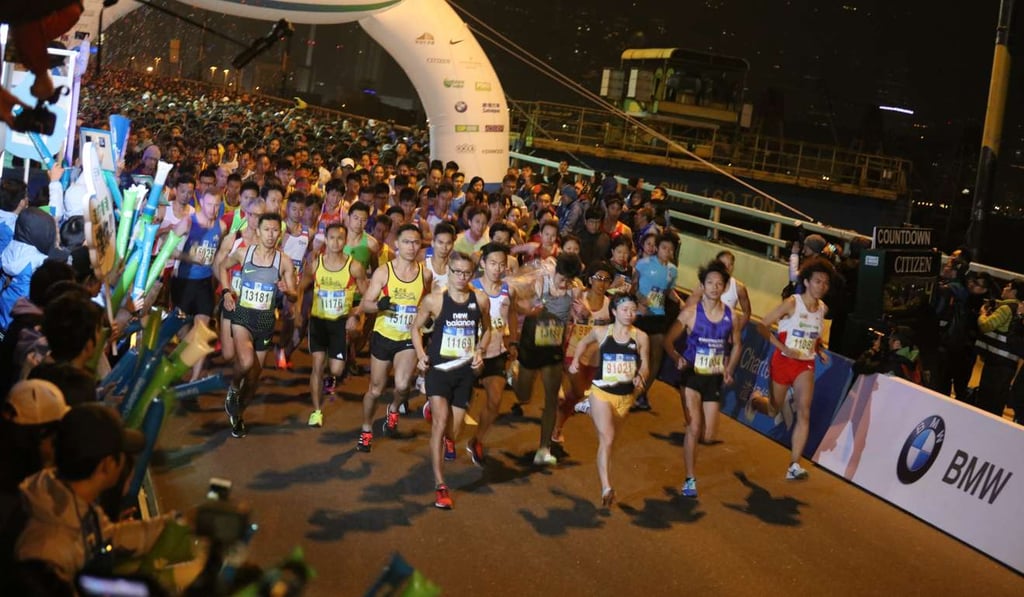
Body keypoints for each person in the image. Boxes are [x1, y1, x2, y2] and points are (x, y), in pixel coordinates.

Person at [14, 404, 174, 587]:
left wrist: (177, 524)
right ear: (106, 465)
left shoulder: (66, 498)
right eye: (121, 454)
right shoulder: (48, 548)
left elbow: (108, 536)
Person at [411, 251, 491, 509]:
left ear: (472, 274)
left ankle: (444, 431)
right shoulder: (434, 300)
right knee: (440, 423)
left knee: (454, 432)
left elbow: (488, 329)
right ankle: (440, 485)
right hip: (439, 371)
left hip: (465, 372)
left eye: (466, 273)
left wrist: (480, 350)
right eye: (456, 272)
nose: (461, 277)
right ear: (449, 272)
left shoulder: (480, 299)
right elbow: (416, 328)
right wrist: (421, 355)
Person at [663, 260, 742, 498]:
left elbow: (737, 345)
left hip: (714, 377)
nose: (715, 287)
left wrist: (729, 368)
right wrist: (677, 357)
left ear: (725, 287)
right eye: (710, 283)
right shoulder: (690, 313)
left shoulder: (732, 317)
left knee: (708, 435)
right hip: (692, 374)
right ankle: (689, 479)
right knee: (695, 427)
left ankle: (693, 440)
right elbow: (668, 341)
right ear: (703, 285)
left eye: (720, 284)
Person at [751, 258, 834, 480]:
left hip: (805, 364)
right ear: (806, 282)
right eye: (818, 281)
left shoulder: (822, 309)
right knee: (773, 410)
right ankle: (756, 400)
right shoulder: (792, 303)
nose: (822, 286)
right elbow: (762, 325)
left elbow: (813, 335)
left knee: (804, 411)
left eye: (825, 283)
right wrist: (783, 348)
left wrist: (820, 349)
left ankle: (794, 465)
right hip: (783, 362)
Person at [218, 212, 298, 438]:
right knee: (245, 360)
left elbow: (294, 296)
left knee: (253, 379)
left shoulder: (284, 261)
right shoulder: (244, 253)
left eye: (275, 230)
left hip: (265, 321)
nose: (271, 235)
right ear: (259, 231)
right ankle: (233, 388)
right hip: (243, 316)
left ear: (280, 233)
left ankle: (238, 415)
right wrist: (226, 292)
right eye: (267, 230)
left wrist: (288, 292)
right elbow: (223, 266)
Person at [569, 294, 650, 507]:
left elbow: (646, 364)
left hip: (625, 396)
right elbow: (582, 343)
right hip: (602, 391)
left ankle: (588, 408)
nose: (629, 314)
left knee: (610, 440)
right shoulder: (602, 331)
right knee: (607, 438)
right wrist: (576, 361)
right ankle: (606, 486)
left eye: (633, 310)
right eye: (624, 309)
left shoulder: (641, 337)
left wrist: (641, 377)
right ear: (614, 312)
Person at [357, 224, 432, 452]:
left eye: (416, 242)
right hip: (383, 335)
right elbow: (364, 305)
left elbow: (426, 304)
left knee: (401, 385)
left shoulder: (424, 274)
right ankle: (367, 428)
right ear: (397, 245)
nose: (411, 247)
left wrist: (427, 319)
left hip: (408, 337)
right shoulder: (384, 272)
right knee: (375, 390)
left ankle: (393, 408)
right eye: (406, 242)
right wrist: (379, 304)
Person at [295, 222, 368, 427]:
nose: (335, 242)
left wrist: (357, 314)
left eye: (340, 238)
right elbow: (301, 287)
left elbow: (368, 293)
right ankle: (317, 411)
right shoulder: (316, 264)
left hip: (339, 324)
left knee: (335, 370)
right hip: (318, 322)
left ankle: (333, 370)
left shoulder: (354, 266)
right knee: (317, 366)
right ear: (325, 240)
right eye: (332, 238)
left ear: (345, 242)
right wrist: (298, 310)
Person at [513, 254, 581, 465]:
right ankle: (513, 373)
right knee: (523, 395)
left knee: (552, 399)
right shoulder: (540, 281)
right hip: (531, 345)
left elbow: (581, 311)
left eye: (568, 280)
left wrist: (581, 312)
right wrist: (530, 311)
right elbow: (515, 305)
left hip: (553, 348)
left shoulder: (574, 288)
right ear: (556, 271)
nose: (564, 283)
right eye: (562, 278)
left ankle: (544, 449)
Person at [466, 242, 518, 465]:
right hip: (470, 353)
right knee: (459, 403)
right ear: (483, 263)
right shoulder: (471, 288)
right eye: (493, 263)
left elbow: (512, 315)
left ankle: (476, 440)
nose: (497, 269)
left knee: (495, 401)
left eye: (502, 265)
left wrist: (513, 341)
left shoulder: (509, 289)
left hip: (496, 352)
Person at [171, 190, 226, 381]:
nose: (213, 209)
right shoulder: (188, 222)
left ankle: (193, 381)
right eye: (209, 204)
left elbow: (218, 257)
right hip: (184, 282)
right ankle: (174, 369)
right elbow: (167, 248)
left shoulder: (221, 226)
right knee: (182, 333)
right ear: (201, 202)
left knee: (201, 333)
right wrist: (189, 257)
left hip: (204, 284)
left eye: (217, 205)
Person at [557, 261, 613, 440]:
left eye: (606, 279)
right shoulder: (579, 295)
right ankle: (556, 397)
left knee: (573, 397)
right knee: (580, 393)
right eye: (598, 278)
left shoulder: (610, 305)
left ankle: (556, 427)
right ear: (590, 279)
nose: (602, 283)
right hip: (572, 351)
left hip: (594, 357)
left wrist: (592, 317)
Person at [631, 233, 680, 411]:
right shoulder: (643, 264)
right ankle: (631, 390)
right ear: (657, 248)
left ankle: (642, 393)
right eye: (664, 247)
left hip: (659, 316)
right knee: (637, 354)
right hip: (641, 315)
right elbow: (633, 286)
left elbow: (668, 292)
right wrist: (640, 299)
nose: (666, 251)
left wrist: (681, 303)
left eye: (670, 249)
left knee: (655, 357)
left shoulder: (673, 271)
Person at [853, 326, 922, 383]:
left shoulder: (890, 362)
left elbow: (858, 367)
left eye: (891, 339)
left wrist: (873, 350)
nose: (889, 342)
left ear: (897, 343)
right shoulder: (913, 363)